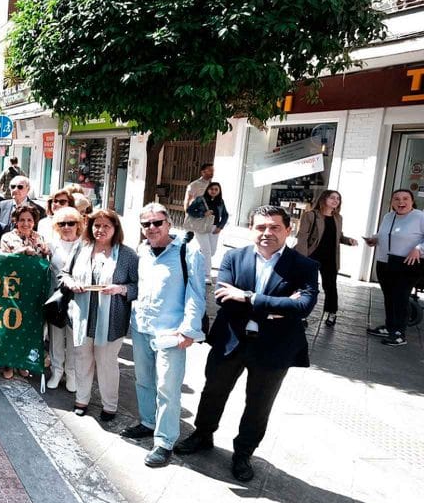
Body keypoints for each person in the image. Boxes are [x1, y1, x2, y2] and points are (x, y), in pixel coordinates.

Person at [174, 206, 318, 482]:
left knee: (259, 404)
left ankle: (243, 453)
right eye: (261, 227)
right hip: (231, 340)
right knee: (213, 392)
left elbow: (302, 306)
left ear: (289, 230)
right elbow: (222, 297)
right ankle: (203, 434)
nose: (267, 233)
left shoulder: (304, 267)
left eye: (275, 227)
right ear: (251, 229)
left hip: (274, 348)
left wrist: (248, 298)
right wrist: (278, 307)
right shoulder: (233, 257)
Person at [120, 204, 206, 468]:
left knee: (168, 388)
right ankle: (148, 422)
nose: (152, 228)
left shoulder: (187, 251)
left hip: (171, 332)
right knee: (144, 381)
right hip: (142, 327)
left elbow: (196, 292)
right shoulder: (142, 251)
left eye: (157, 223)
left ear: (168, 223)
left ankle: (165, 442)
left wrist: (189, 330)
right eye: (146, 224)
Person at [59, 209, 138, 419]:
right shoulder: (81, 247)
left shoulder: (128, 255)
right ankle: (82, 400)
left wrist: (120, 289)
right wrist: (71, 283)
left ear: (115, 229)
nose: (100, 230)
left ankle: (109, 405)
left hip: (112, 320)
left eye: (106, 226)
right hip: (82, 317)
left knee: (107, 364)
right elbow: (65, 273)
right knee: (82, 359)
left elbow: (138, 286)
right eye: (96, 225)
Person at [363, 189, 424, 346]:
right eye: (396, 199)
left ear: (412, 201)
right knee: (389, 296)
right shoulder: (388, 216)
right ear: (392, 202)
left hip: (407, 263)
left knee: (401, 297)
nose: (400, 202)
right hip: (384, 262)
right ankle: (390, 327)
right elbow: (383, 234)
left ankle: (399, 333)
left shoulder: (419, 216)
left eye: (405, 198)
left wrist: (419, 248)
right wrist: (374, 239)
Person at [0, 205, 49, 378]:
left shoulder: (39, 237)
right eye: (22, 220)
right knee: (10, 325)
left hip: (33, 290)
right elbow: (1, 260)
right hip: (11, 289)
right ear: (15, 221)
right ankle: (8, 364)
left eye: (29, 220)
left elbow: (45, 262)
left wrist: (45, 251)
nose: (25, 223)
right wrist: (21, 252)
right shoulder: (7, 237)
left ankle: (22, 362)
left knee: (27, 327)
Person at [293, 190, 357, 327]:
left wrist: (348, 240)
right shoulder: (311, 215)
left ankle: (331, 313)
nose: (335, 201)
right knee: (308, 287)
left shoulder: (338, 218)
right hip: (312, 256)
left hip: (330, 258)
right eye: (332, 198)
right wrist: (303, 259)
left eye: (338, 199)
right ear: (324, 199)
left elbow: (338, 236)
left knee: (330, 287)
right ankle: (301, 315)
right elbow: (302, 237)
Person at [46, 207, 84, 393]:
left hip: (79, 299)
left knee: (74, 339)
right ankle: (56, 371)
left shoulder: (86, 245)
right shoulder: (51, 245)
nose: (67, 227)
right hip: (57, 298)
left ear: (79, 225)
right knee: (56, 337)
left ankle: (71, 374)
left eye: (71, 223)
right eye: (62, 223)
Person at [185, 181, 228, 271]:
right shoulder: (200, 199)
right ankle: (206, 275)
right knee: (207, 251)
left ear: (219, 191)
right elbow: (189, 210)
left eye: (216, 189)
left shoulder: (220, 201)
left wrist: (220, 227)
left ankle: (195, 257)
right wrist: (203, 213)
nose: (213, 191)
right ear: (207, 189)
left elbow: (225, 215)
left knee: (212, 251)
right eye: (211, 189)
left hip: (214, 228)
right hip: (201, 227)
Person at [183, 162, 214, 229]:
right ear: (203, 172)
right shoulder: (195, 185)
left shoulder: (212, 185)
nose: (212, 172)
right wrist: (188, 214)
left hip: (207, 217)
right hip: (196, 214)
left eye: (213, 170)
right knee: (189, 236)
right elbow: (187, 200)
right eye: (209, 170)